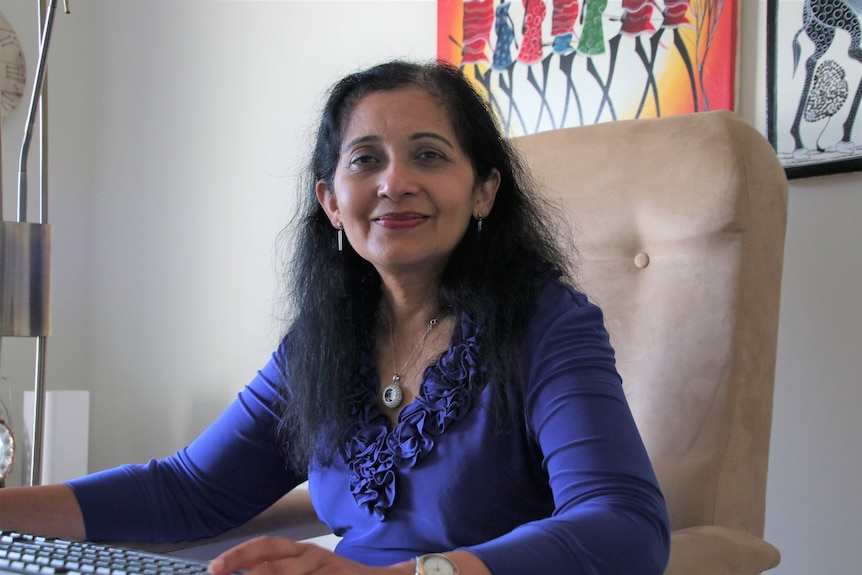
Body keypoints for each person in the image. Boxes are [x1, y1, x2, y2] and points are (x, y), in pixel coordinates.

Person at [0, 60, 670, 575]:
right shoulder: (321, 344)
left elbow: (625, 523)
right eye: (365, 160)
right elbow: (188, 490)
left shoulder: (548, 322)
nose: (394, 182)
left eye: (430, 155)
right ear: (330, 201)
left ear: (484, 189)